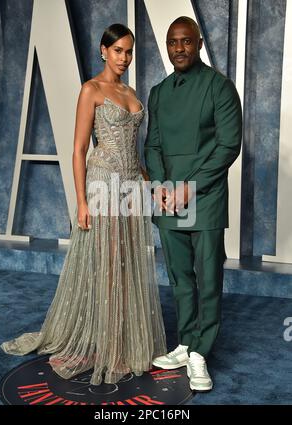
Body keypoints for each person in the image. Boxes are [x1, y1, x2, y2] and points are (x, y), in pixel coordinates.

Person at [1, 23, 166, 385]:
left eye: (129, 51)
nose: (124, 57)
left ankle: (125, 340)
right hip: (102, 183)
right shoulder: (91, 90)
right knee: (107, 266)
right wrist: (81, 202)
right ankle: (107, 345)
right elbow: (78, 150)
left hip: (130, 188)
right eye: (118, 50)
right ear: (103, 51)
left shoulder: (132, 92)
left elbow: (134, 149)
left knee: (128, 264)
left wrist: (148, 181)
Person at [145, 16, 242, 391]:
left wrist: (191, 186)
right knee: (180, 277)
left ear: (199, 43)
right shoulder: (159, 91)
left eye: (186, 41)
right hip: (169, 200)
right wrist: (160, 186)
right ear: (167, 47)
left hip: (206, 199)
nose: (179, 48)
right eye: (173, 42)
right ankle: (186, 343)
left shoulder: (219, 87)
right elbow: (152, 145)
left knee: (208, 279)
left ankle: (201, 352)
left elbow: (227, 145)